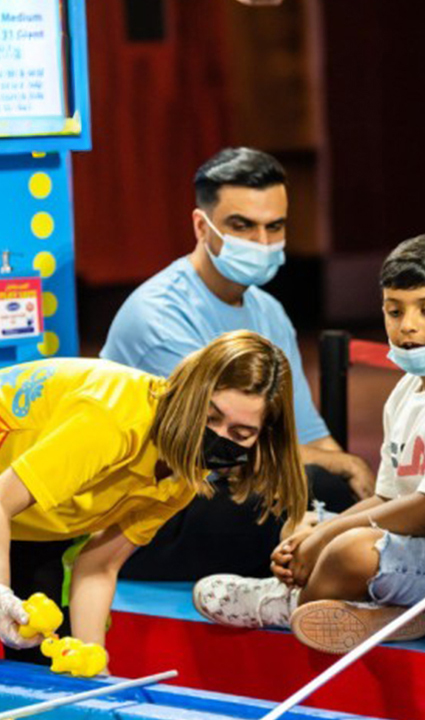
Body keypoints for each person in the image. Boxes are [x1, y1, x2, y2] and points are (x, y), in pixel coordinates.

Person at [192, 233, 425, 654]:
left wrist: (330, 537)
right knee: (307, 523)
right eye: (394, 310)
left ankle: (285, 603)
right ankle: (384, 616)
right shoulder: (406, 391)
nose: (408, 325)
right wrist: (316, 533)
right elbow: (387, 496)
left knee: (350, 548)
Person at [0, 331, 306, 663]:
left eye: (240, 433)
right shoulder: (111, 421)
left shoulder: (182, 475)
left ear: (262, 439)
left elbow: (98, 566)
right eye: (210, 418)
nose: (218, 438)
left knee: (46, 661)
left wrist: (92, 666)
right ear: (191, 396)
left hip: (32, 513)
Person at [101, 147, 374, 581]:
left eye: (274, 227)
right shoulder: (159, 315)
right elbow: (216, 452)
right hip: (153, 510)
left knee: (338, 493)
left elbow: (311, 440)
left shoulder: (269, 312)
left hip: (236, 481)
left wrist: (359, 493)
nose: (262, 243)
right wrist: (342, 470)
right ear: (201, 226)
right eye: (242, 226)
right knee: (279, 505)